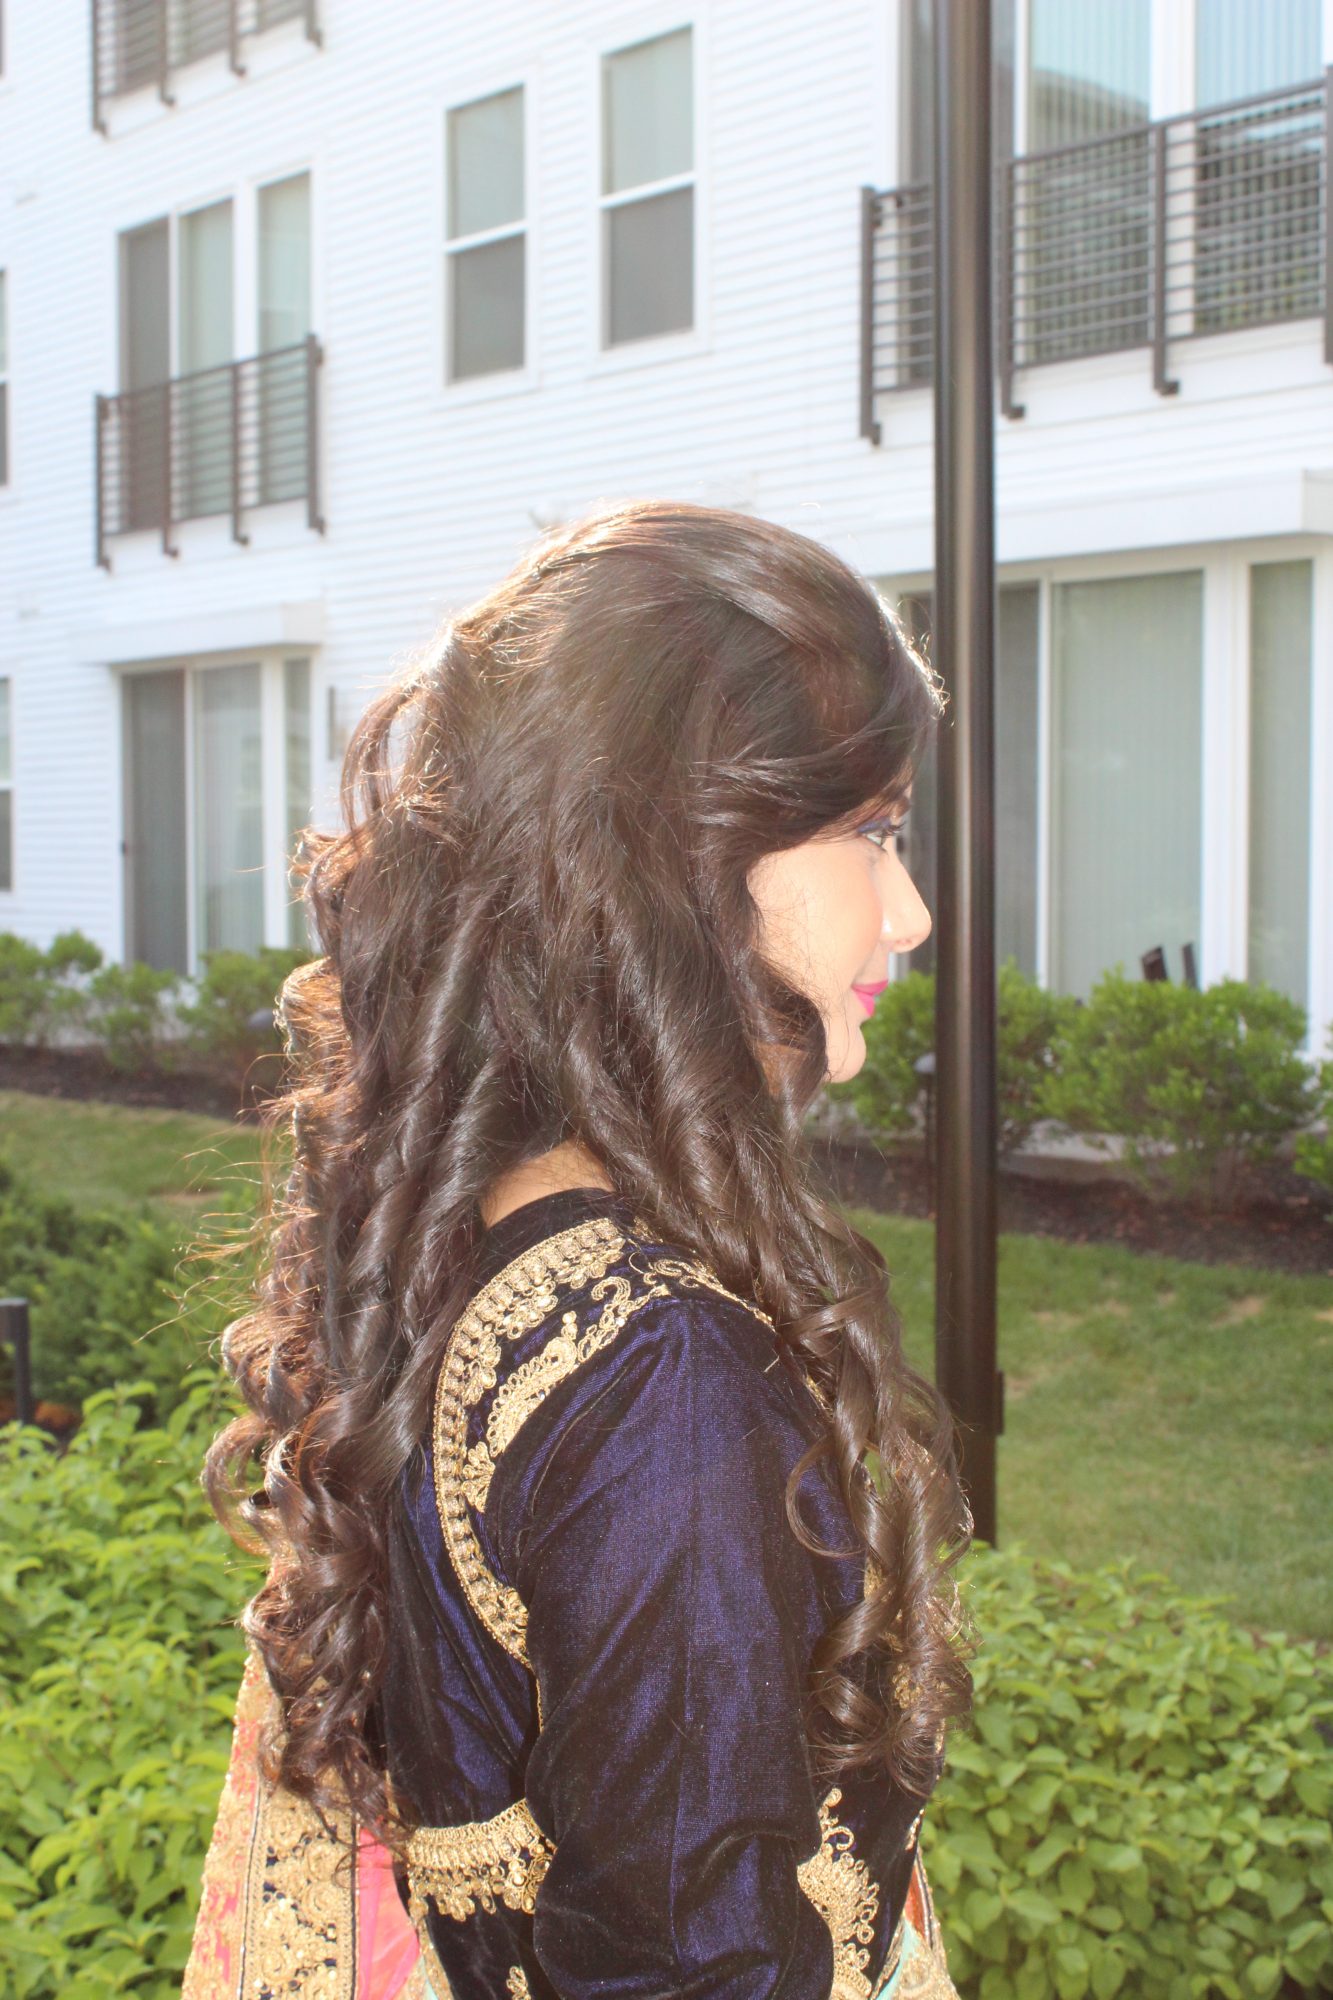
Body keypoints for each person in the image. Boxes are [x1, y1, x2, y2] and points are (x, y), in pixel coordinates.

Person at [182, 499, 979, 1999]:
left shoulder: (480, 1207)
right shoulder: (669, 1385)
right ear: (668, 856)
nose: (913, 910)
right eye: (869, 832)